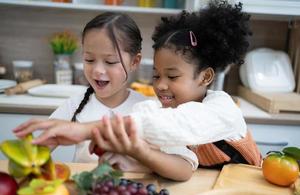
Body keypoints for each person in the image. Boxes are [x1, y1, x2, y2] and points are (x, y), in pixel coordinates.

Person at [14, 0, 261, 177]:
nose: (161, 85)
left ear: (205, 76)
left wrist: (86, 130)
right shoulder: (154, 109)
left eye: (172, 76)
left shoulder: (222, 108)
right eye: (155, 75)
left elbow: (176, 126)